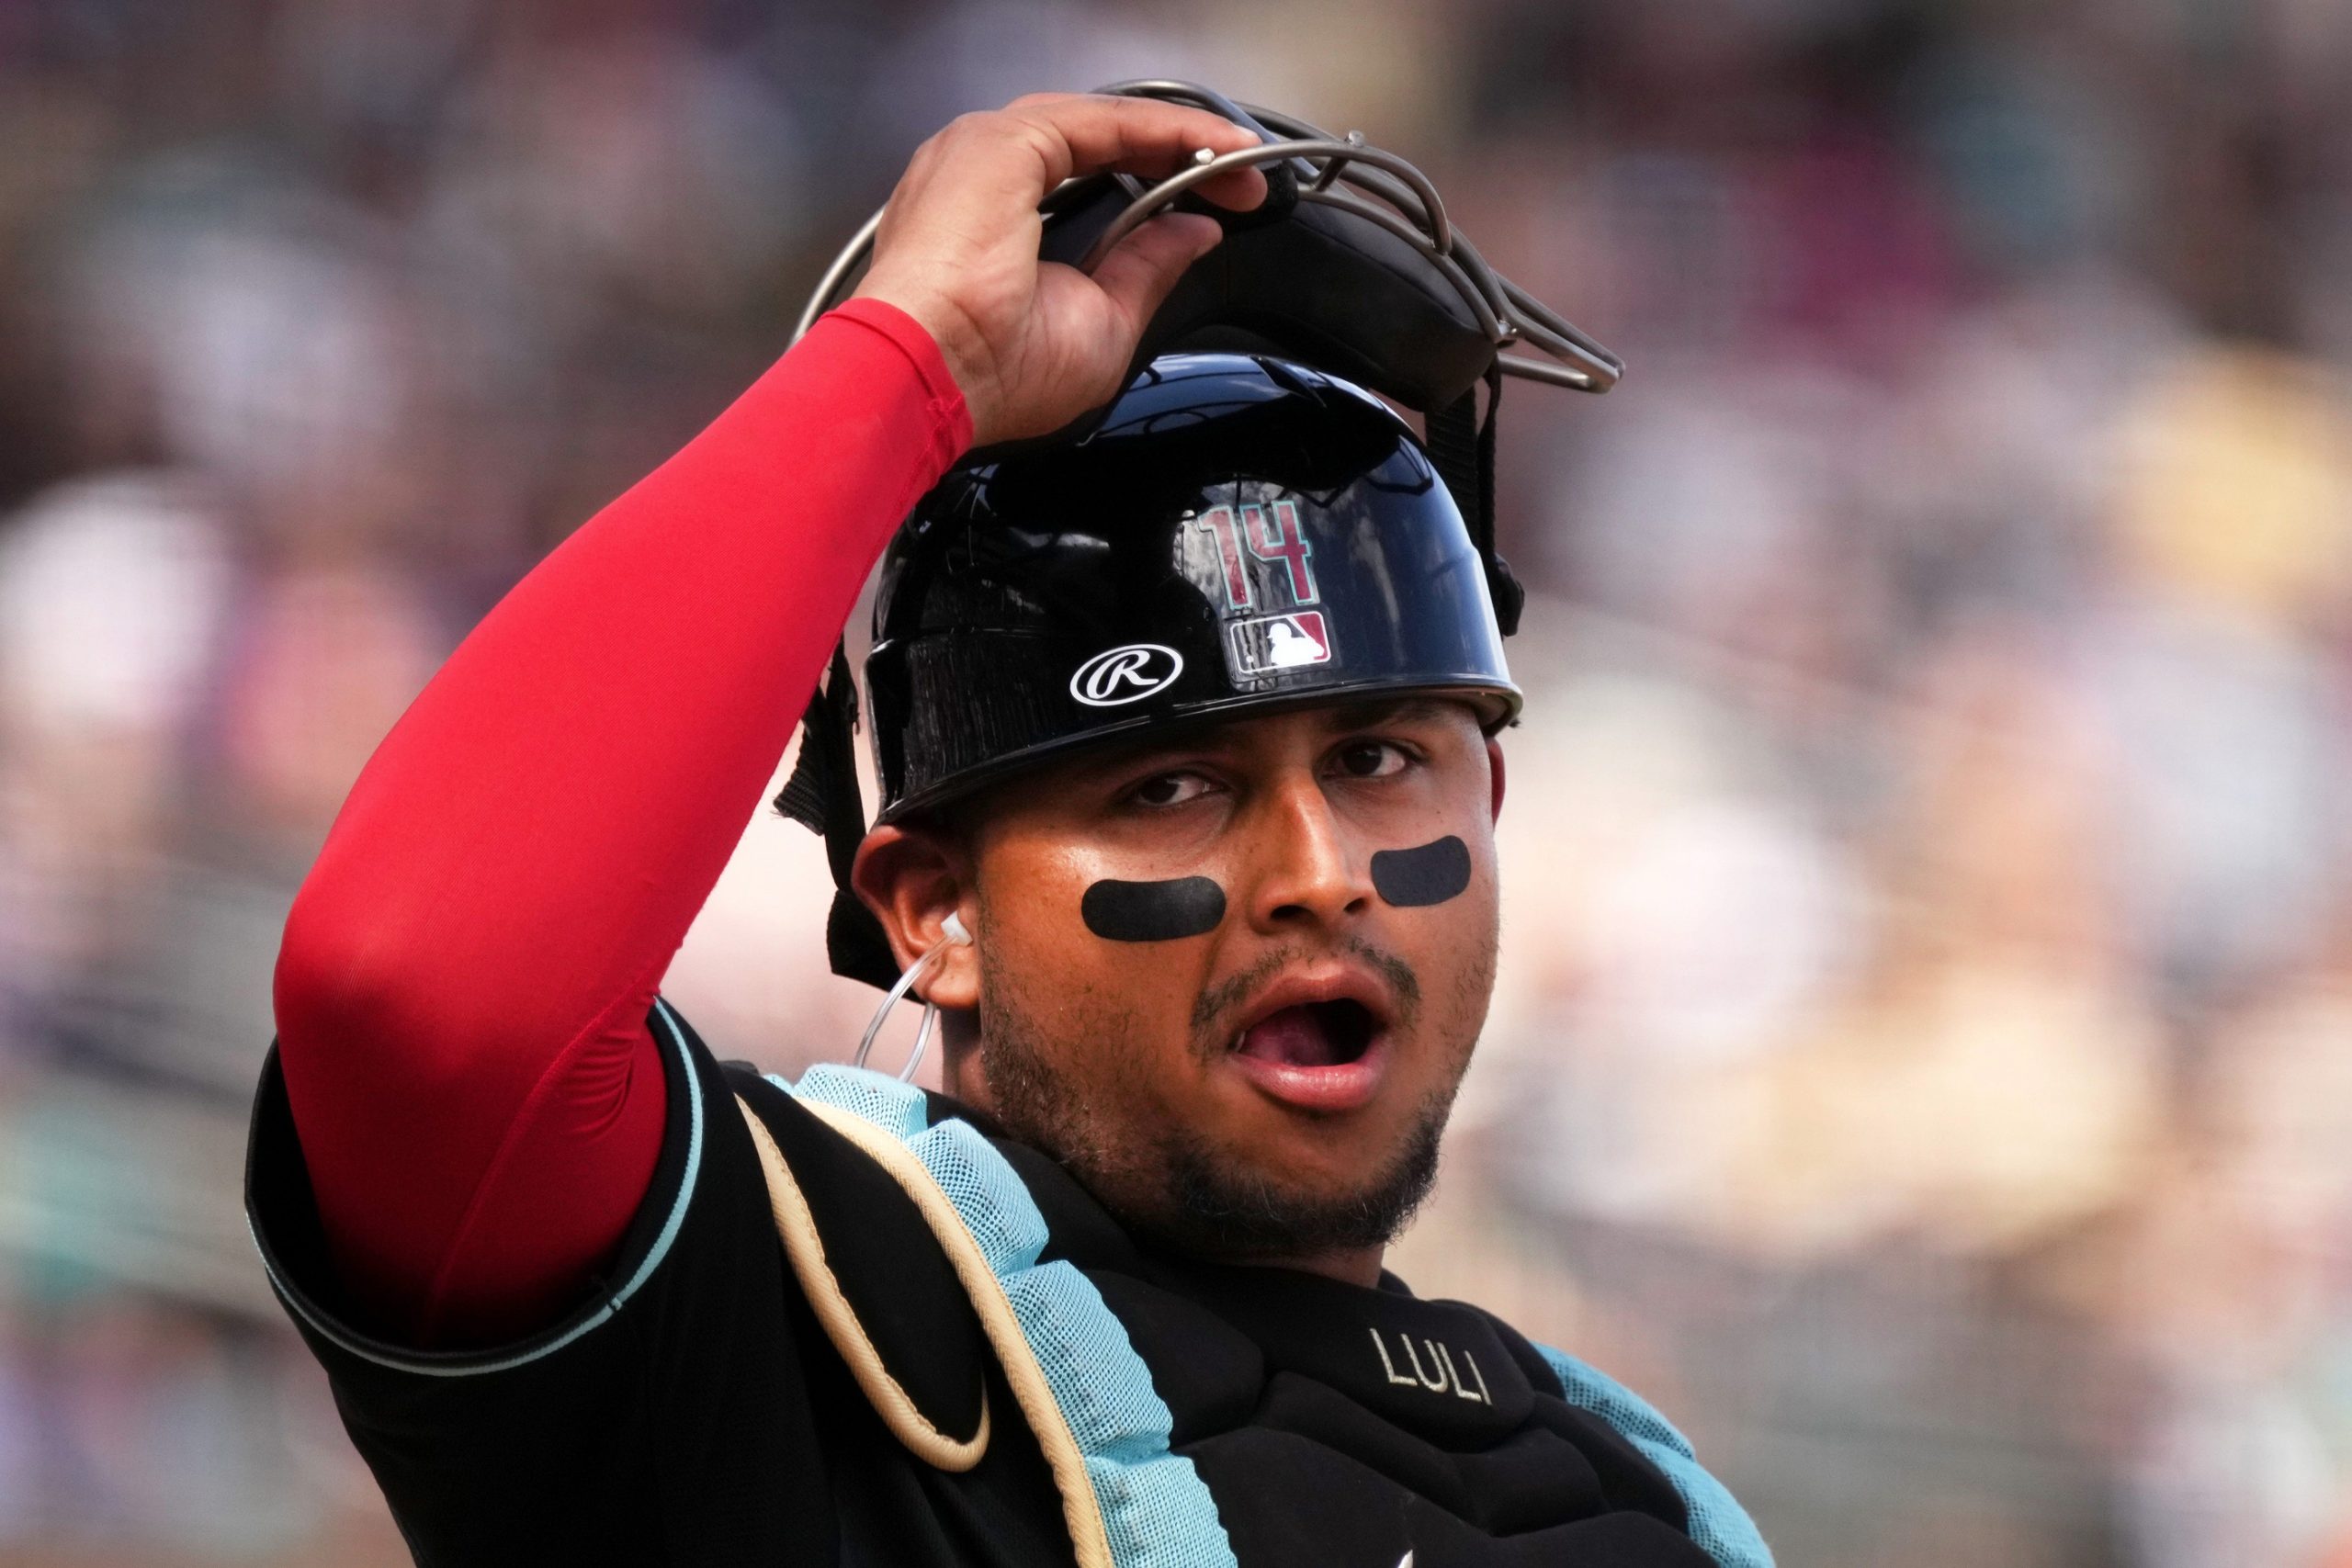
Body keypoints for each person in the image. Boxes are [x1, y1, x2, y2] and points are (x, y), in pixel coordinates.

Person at [246, 92, 1772, 1566]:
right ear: (932, 914)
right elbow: (422, 1004)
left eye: (1377, 758)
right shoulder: (777, 1323)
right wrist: (915, 369)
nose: (1320, 877)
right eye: (1172, 787)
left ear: (1492, 800)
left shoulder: (1635, 1497)